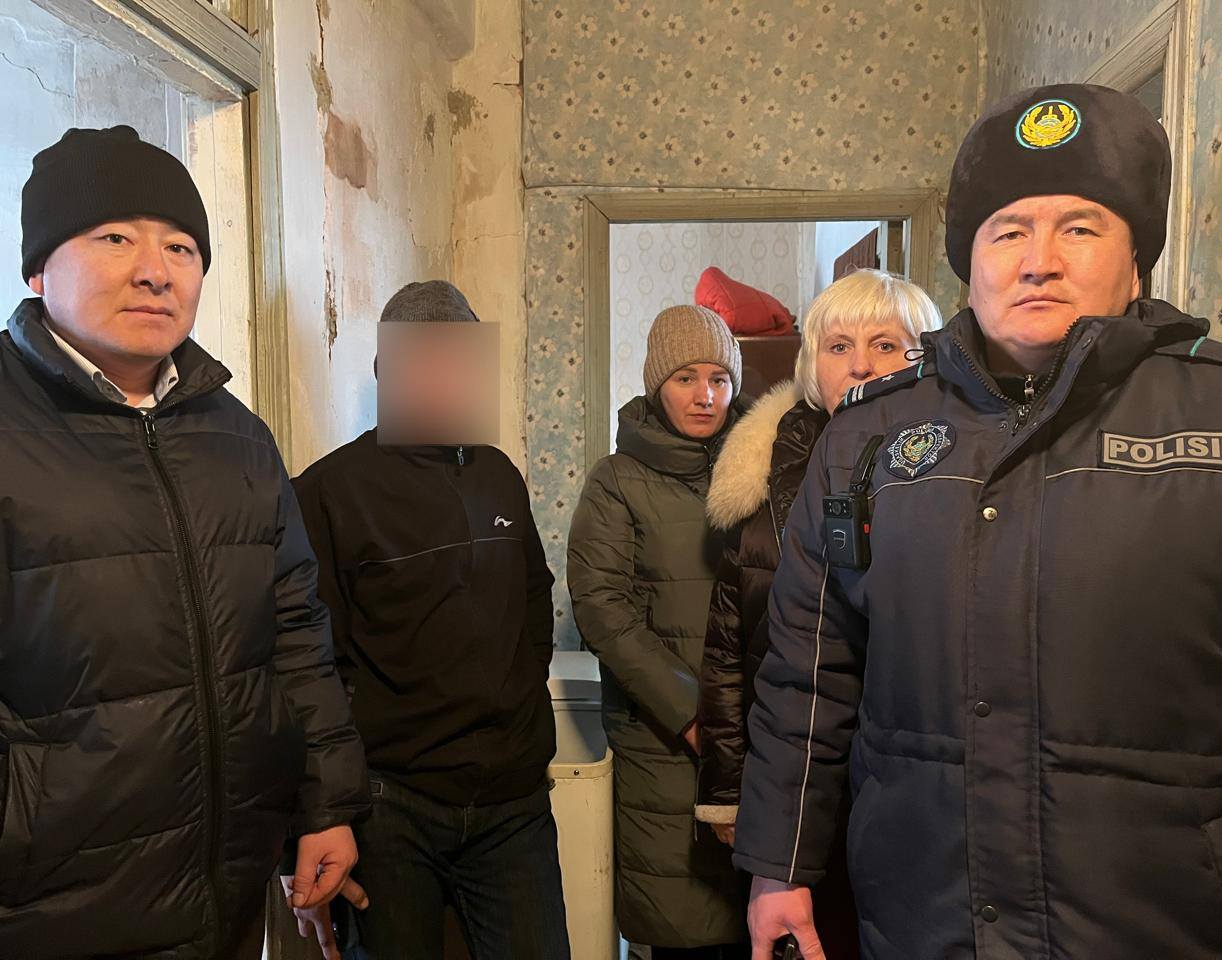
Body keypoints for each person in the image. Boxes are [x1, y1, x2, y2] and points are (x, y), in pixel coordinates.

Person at [736, 82, 1222, 960]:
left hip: (1166, 925)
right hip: (925, 920)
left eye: (1080, 228)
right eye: (1009, 231)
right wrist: (778, 866)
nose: (1039, 261)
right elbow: (811, 669)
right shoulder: (868, 438)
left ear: (1136, 257)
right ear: (972, 260)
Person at [0, 125, 369, 959]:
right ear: (38, 267)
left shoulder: (237, 437)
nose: (155, 270)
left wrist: (324, 805)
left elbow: (295, 636)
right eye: (114, 238)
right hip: (45, 911)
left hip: (223, 894)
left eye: (181, 247)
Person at [292, 280, 570, 960]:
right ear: (386, 370)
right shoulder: (327, 491)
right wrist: (324, 808)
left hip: (512, 803)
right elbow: (309, 662)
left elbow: (534, 601)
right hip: (391, 805)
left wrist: (516, 702)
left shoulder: (499, 474)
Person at [695, 269, 941, 958]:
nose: (860, 365)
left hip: (918, 795)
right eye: (838, 346)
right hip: (795, 788)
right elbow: (727, 649)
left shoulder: (955, 476)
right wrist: (728, 793)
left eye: (885, 344)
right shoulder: (758, 476)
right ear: (812, 365)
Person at [568, 304, 750, 958]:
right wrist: (694, 715)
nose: (706, 396)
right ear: (656, 386)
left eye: (719, 379)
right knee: (684, 925)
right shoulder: (617, 481)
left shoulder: (760, 469)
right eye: (685, 378)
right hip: (666, 738)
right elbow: (602, 608)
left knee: (761, 924)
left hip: (758, 734)